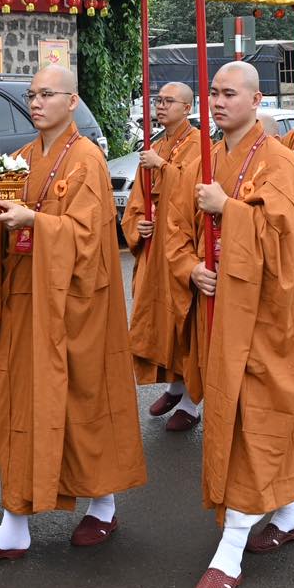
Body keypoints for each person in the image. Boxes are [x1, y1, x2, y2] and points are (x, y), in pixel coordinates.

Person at [0, 66, 146, 567]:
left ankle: (102, 506)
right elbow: (7, 218)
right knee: (21, 405)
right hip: (25, 299)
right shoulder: (21, 159)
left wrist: (36, 221)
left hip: (75, 307)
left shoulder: (87, 160)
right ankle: (13, 524)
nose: (36, 102)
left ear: (71, 101)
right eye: (32, 94)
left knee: (82, 401)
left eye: (46, 94)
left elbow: (89, 238)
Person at [187, 62, 294, 588]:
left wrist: (231, 211)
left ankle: (232, 545)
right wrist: (190, 267)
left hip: (266, 314)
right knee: (235, 414)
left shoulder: (279, 160)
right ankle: (290, 512)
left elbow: (284, 239)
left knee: (253, 417)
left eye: (228, 93)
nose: (217, 102)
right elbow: (190, 228)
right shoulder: (213, 155)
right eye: (212, 93)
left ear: (256, 99)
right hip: (224, 306)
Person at [124, 83, 203, 427]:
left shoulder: (200, 144)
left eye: (169, 101)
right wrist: (138, 223)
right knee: (159, 317)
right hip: (155, 245)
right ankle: (175, 384)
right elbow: (141, 197)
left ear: (187, 108)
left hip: (182, 244)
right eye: (158, 100)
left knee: (183, 315)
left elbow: (193, 192)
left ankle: (191, 401)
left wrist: (164, 168)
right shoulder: (156, 145)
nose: (161, 106)